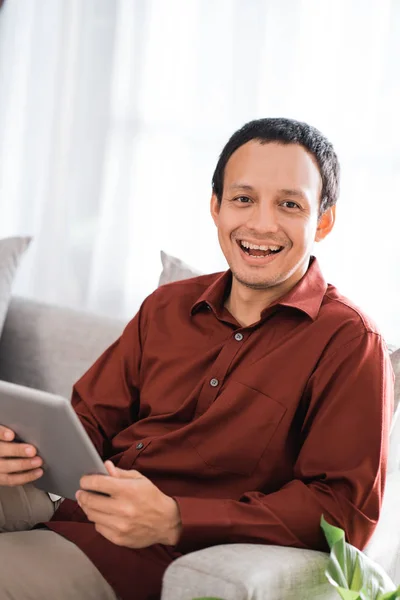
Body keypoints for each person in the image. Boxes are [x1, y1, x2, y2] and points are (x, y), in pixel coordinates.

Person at [0, 118, 394, 600]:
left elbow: (342, 515)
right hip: (69, 502)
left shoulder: (350, 343)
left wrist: (177, 519)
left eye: (289, 204)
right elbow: (86, 422)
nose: (262, 223)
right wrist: (20, 449)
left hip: (140, 555)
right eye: (243, 199)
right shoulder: (166, 306)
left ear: (324, 220)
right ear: (216, 207)